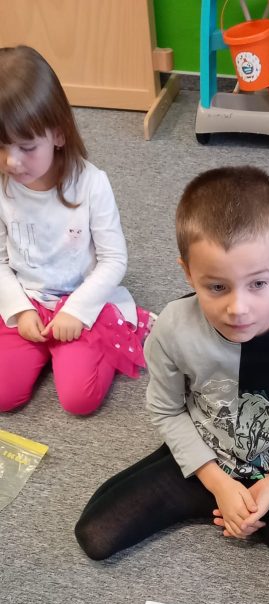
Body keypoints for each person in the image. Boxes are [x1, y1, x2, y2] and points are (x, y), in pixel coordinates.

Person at [75, 166, 269, 604]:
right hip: (211, 453)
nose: (238, 308)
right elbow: (167, 409)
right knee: (95, 535)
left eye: (258, 284)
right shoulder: (172, 328)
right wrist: (219, 484)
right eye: (216, 286)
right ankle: (205, 482)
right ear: (188, 273)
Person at [0, 46, 151, 415]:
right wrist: (20, 310)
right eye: (1, 146)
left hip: (82, 302)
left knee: (79, 400)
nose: (11, 161)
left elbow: (114, 260)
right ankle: (45, 349)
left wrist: (78, 311)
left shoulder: (92, 184)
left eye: (26, 146)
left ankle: (80, 348)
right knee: (3, 395)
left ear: (58, 134)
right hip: (28, 300)